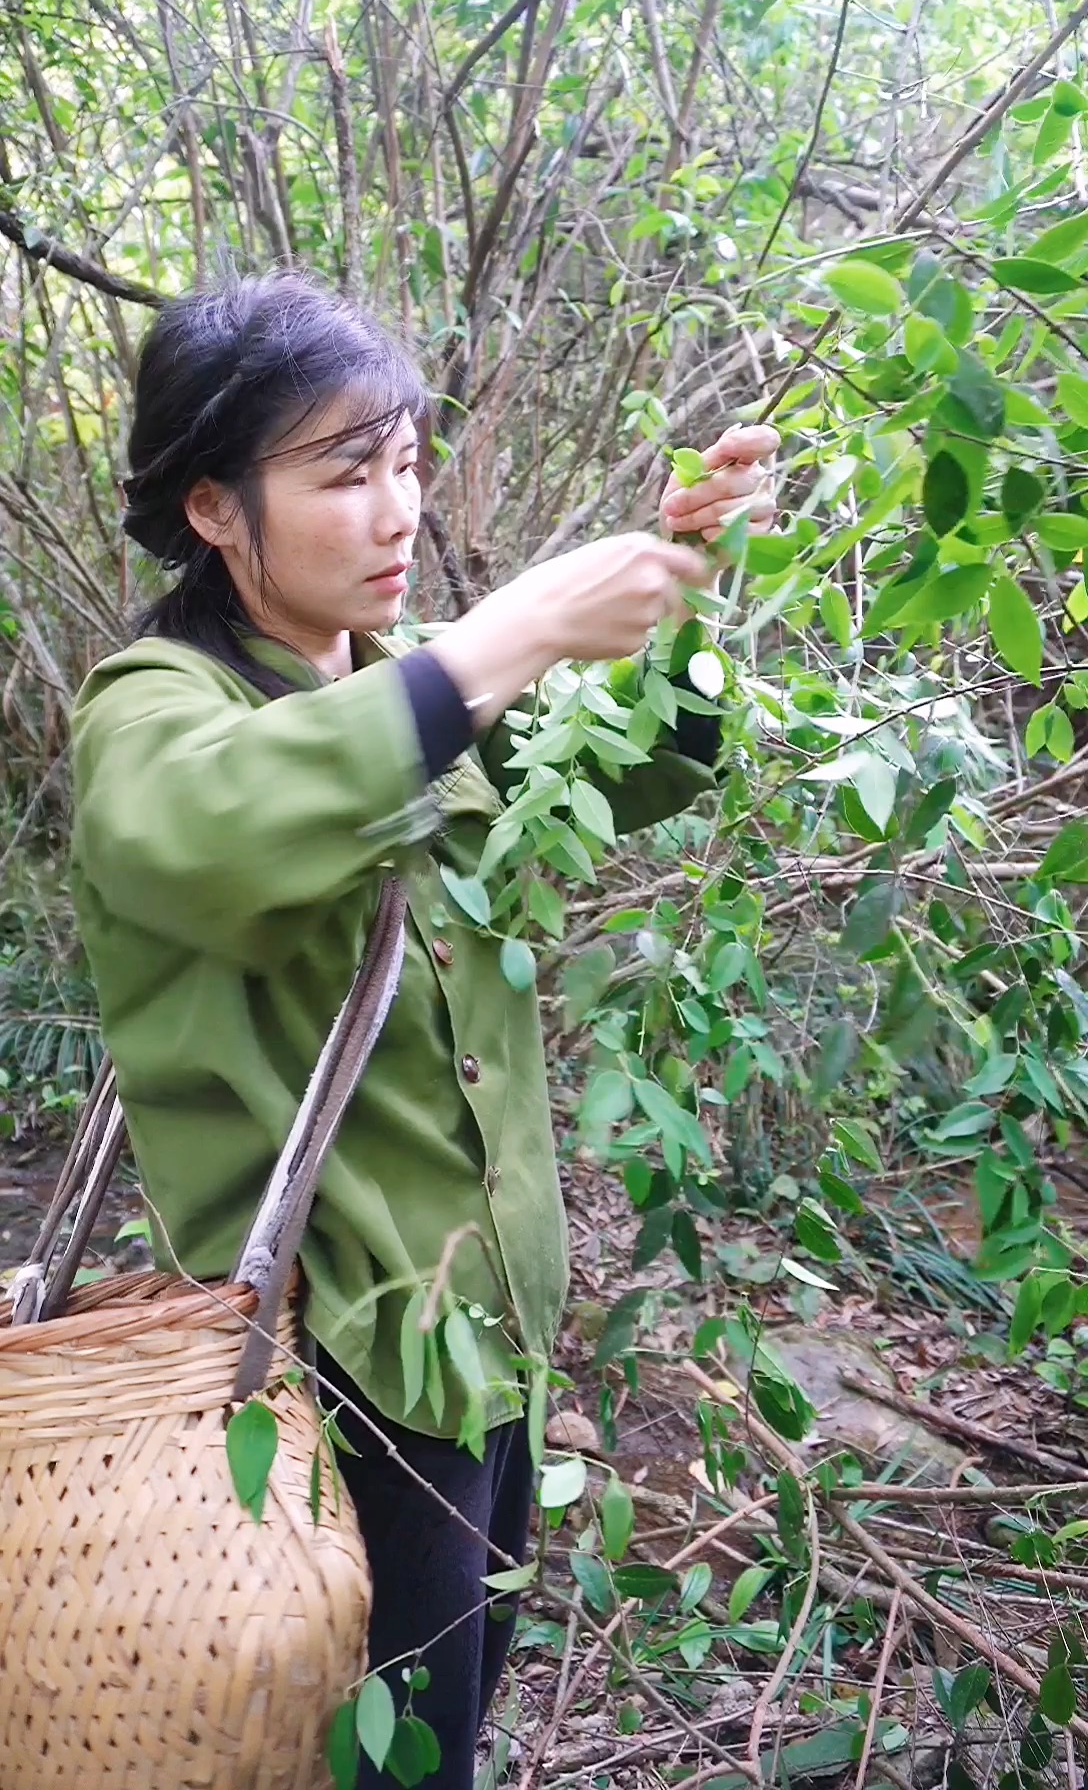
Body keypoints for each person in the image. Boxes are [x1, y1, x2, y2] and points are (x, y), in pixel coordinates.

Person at [69, 270, 778, 1789]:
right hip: (324, 1372)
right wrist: (505, 639)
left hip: (483, 1344)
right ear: (211, 508)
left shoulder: (407, 681)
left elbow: (644, 766)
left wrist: (684, 566)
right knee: (354, 1755)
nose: (397, 513)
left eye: (405, 465)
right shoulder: (156, 707)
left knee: (437, 1739)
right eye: (344, 475)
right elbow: (204, 835)